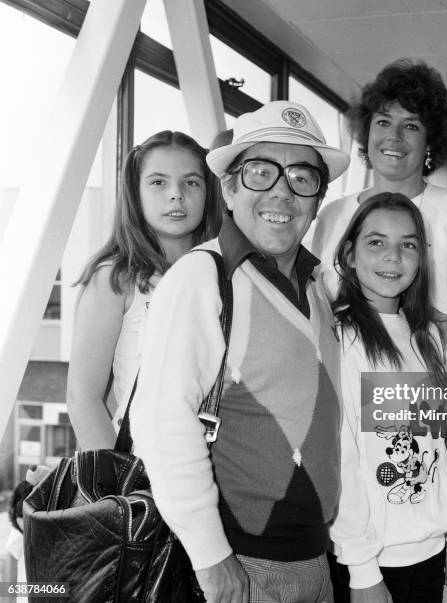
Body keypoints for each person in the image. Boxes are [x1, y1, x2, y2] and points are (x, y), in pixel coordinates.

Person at [130, 101, 350, 603]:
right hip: (245, 565)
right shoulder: (201, 278)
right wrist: (211, 559)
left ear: (318, 198)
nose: (282, 191)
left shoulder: (318, 285)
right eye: (260, 172)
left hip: (317, 556)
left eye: (301, 176)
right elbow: (163, 423)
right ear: (228, 189)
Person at [311, 58, 447, 601]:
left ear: (431, 143)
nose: (393, 137)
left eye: (411, 125)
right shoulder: (331, 218)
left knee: (434, 575)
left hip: (439, 444)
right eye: (382, 121)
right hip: (350, 449)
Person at [330, 191, 447, 603]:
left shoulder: (425, 337)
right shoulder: (340, 338)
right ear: (350, 254)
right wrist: (363, 572)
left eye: (408, 244)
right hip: (373, 560)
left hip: (429, 550)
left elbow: (437, 445)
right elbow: (343, 460)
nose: (393, 257)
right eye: (377, 242)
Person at [67, 130, 220, 450]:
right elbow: (83, 398)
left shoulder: (222, 276)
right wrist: (118, 490)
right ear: (135, 193)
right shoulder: (116, 278)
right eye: (158, 182)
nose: (176, 195)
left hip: (219, 470)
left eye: (191, 182)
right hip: (140, 473)